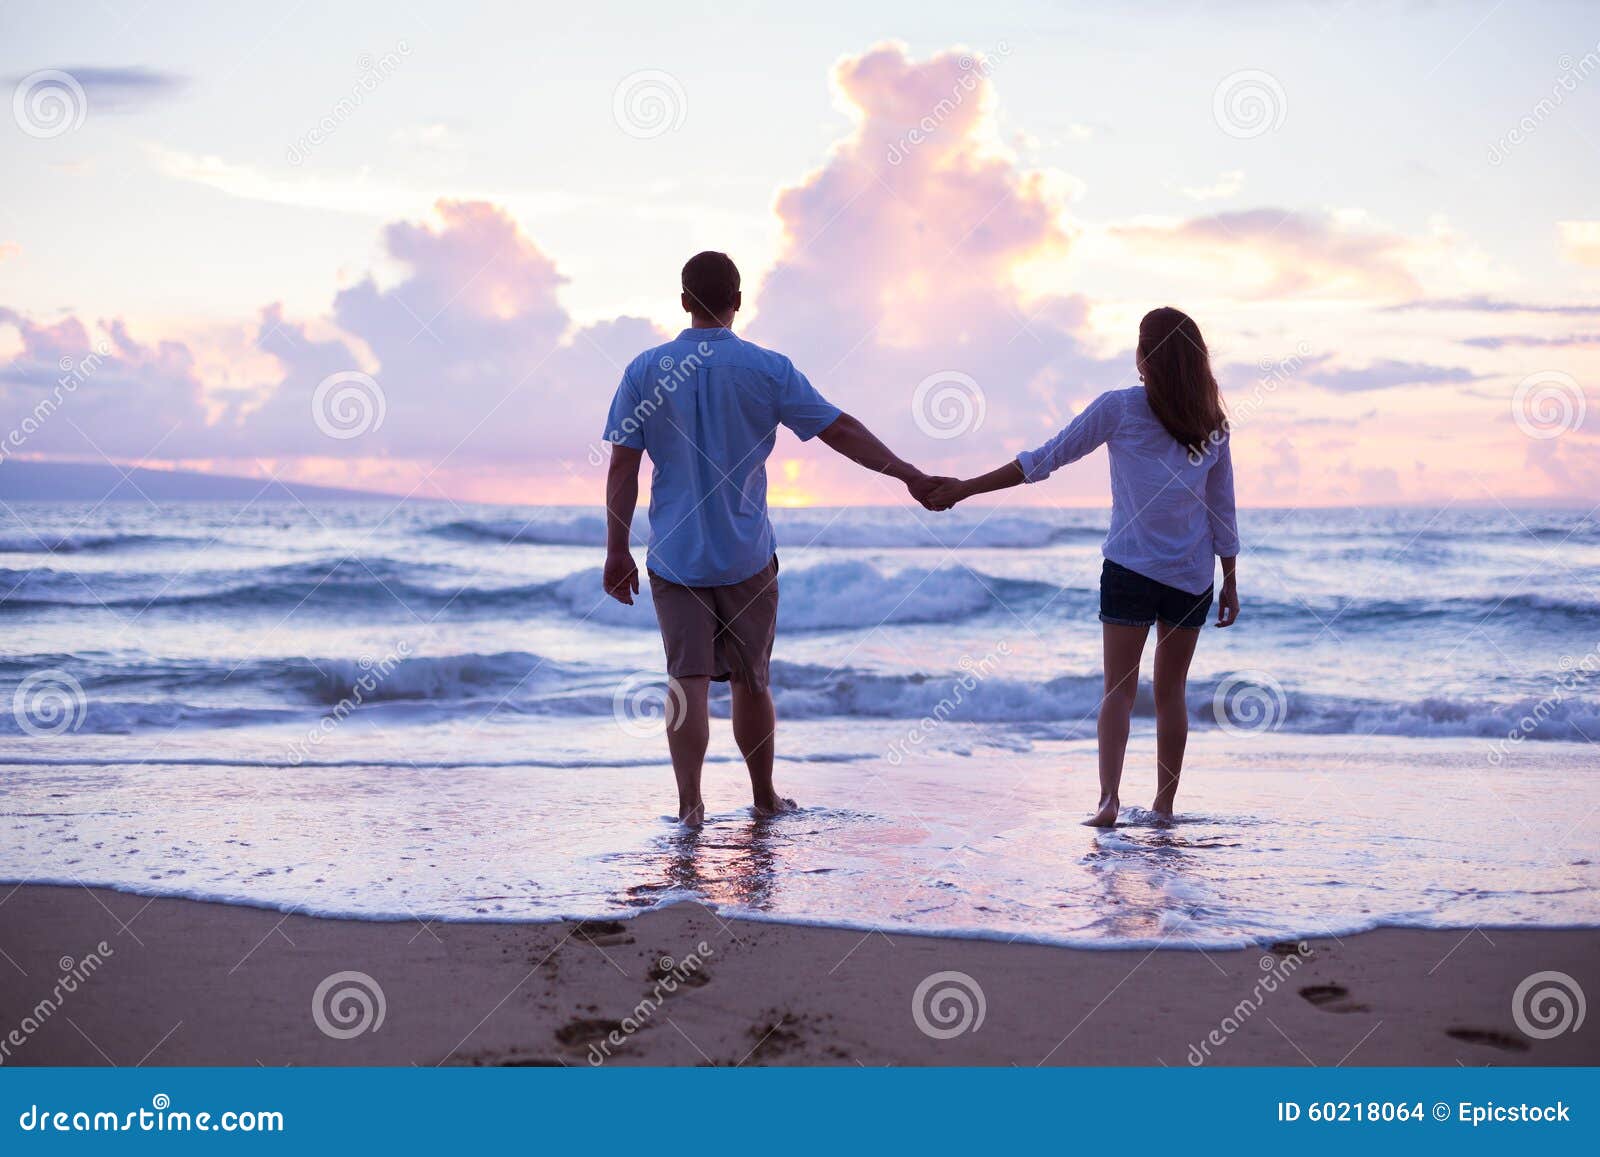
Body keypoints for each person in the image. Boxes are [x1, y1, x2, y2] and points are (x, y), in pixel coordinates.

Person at [602, 251, 948, 825]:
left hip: (676, 555)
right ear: (738, 300)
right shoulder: (768, 369)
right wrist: (909, 473)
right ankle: (763, 797)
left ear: (685, 301)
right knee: (751, 681)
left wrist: (616, 549)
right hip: (747, 553)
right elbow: (838, 429)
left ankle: (690, 807)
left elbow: (622, 466)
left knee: (685, 683)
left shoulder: (646, 368)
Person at [925, 307, 1239, 827]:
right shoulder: (1213, 423)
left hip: (1131, 570)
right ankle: (1163, 806)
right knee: (1170, 694)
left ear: (1144, 357)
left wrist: (965, 488)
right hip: (1190, 576)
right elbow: (1221, 509)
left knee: (1118, 688)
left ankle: (1109, 801)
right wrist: (1230, 579)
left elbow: (1044, 459)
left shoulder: (1120, 408)